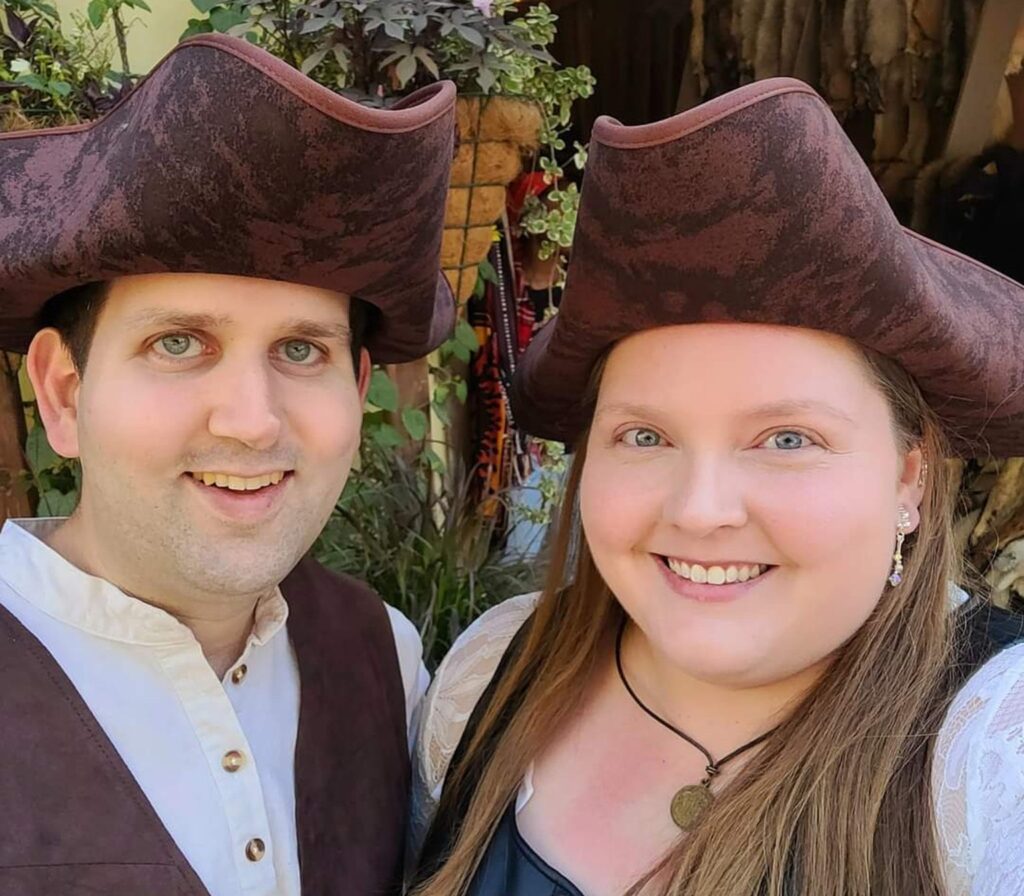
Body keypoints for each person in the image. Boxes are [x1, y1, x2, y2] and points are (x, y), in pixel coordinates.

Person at [409, 78, 1024, 896]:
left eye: (787, 439)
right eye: (645, 436)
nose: (700, 511)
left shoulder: (996, 758)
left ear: (909, 476)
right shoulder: (491, 676)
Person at [0, 34, 456, 896]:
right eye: (179, 343)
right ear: (64, 392)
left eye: (301, 350)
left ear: (357, 392)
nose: (252, 422)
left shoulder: (383, 658)